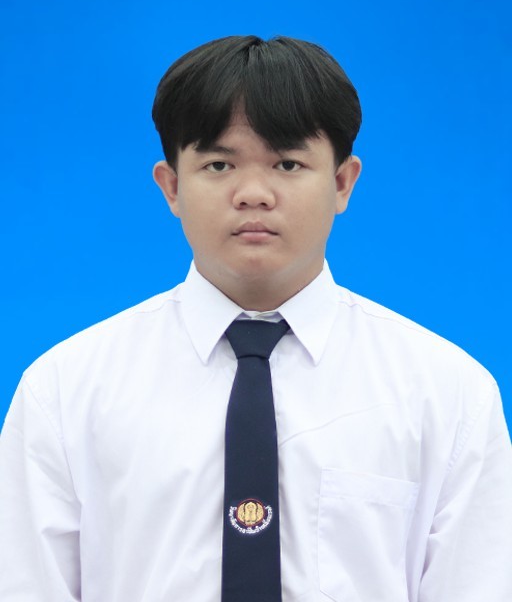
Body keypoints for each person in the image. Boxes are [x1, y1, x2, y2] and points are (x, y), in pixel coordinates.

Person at [1, 35, 511, 601]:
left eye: (288, 163)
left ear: (342, 182)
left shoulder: (448, 394)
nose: (252, 194)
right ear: (172, 187)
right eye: (219, 164)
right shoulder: (65, 392)